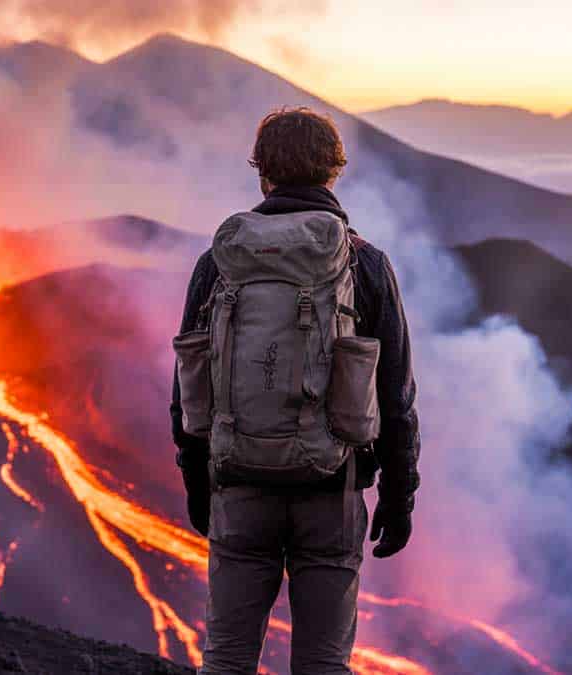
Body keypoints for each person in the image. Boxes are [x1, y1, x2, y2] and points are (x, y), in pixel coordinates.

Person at [170, 107, 420, 674]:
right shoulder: (365, 264)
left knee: (228, 659)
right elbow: (396, 395)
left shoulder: (219, 264)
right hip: (333, 488)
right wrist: (399, 497)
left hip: (238, 483)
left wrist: (197, 481)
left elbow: (188, 382)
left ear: (264, 174)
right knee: (323, 665)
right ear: (334, 173)